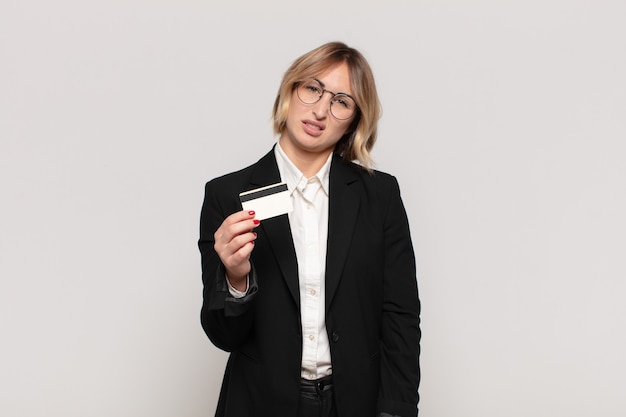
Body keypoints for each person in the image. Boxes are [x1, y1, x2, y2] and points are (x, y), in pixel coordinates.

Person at [198, 41, 420, 417]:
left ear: (354, 119)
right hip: (260, 403)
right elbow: (223, 336)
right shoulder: (227, 195)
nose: (320, 110)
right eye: (312, 88)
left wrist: (397, 409)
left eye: (342, 101)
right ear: (290, 90)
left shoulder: (380, 195)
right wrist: (236, 279)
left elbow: (400, 314)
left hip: (356, 402)